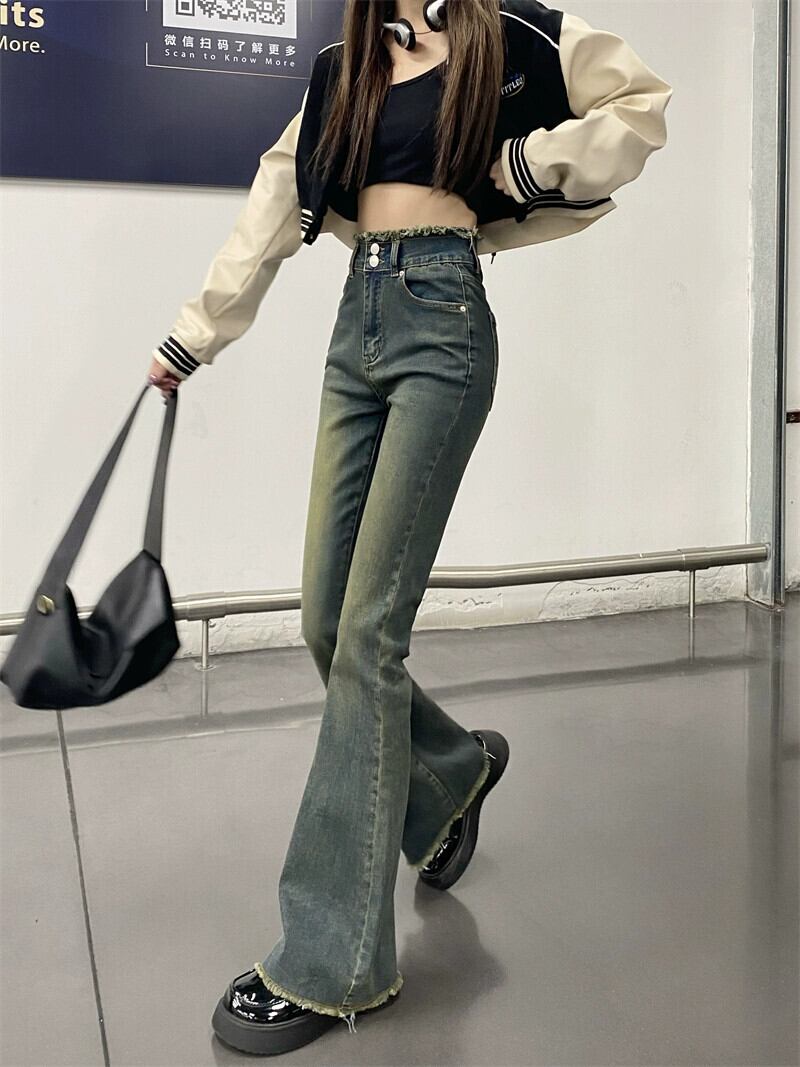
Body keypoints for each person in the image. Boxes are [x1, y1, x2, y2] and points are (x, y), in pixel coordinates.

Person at [147, 0, 671, 1055]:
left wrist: (525, 166)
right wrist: (194, 334)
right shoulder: (342, 69)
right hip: (359, 322)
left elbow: (639, 105)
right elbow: (277, 195)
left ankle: (331, 957)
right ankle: (449, 774)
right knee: (324, 618)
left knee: (367, 637)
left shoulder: (508, 34)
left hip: (444, 319)